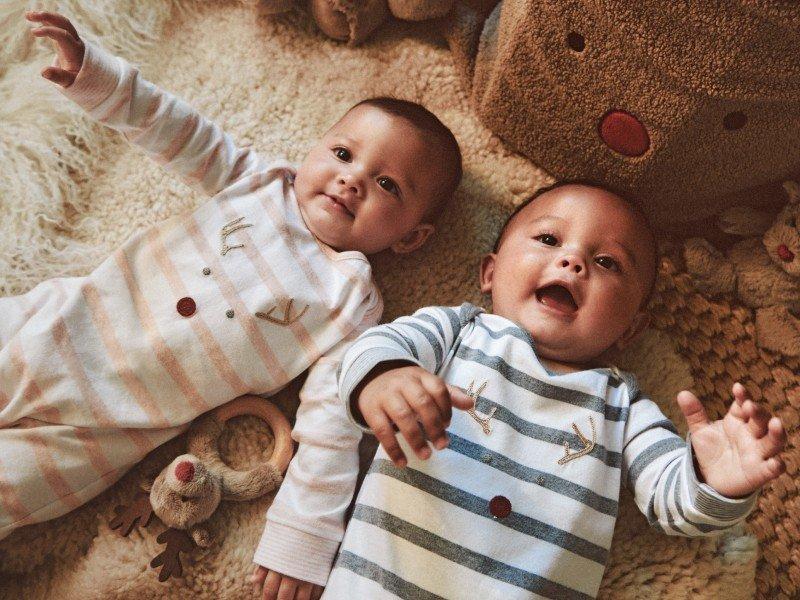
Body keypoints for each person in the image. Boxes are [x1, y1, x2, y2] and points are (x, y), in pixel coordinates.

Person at [6, 10, 460, 587]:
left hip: (106, 432)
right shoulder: (258, 182)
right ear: (315, 149)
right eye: (344, 155)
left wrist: (302, 537)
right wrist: (99, 78)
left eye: (388, 185)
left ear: (411, 238)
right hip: (55, 328)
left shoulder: (351, 303)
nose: (353, 180)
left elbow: (329, 425)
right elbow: (178, 131)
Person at [264, 181, 787, 599]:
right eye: (548, 239)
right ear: (490, 273)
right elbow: (370, 350)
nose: (573, 261)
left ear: (629, 330)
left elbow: (670, 504)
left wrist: (716, 481)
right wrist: (386, 379)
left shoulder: (623, 406)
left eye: (608, 263)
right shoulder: (459, 332)